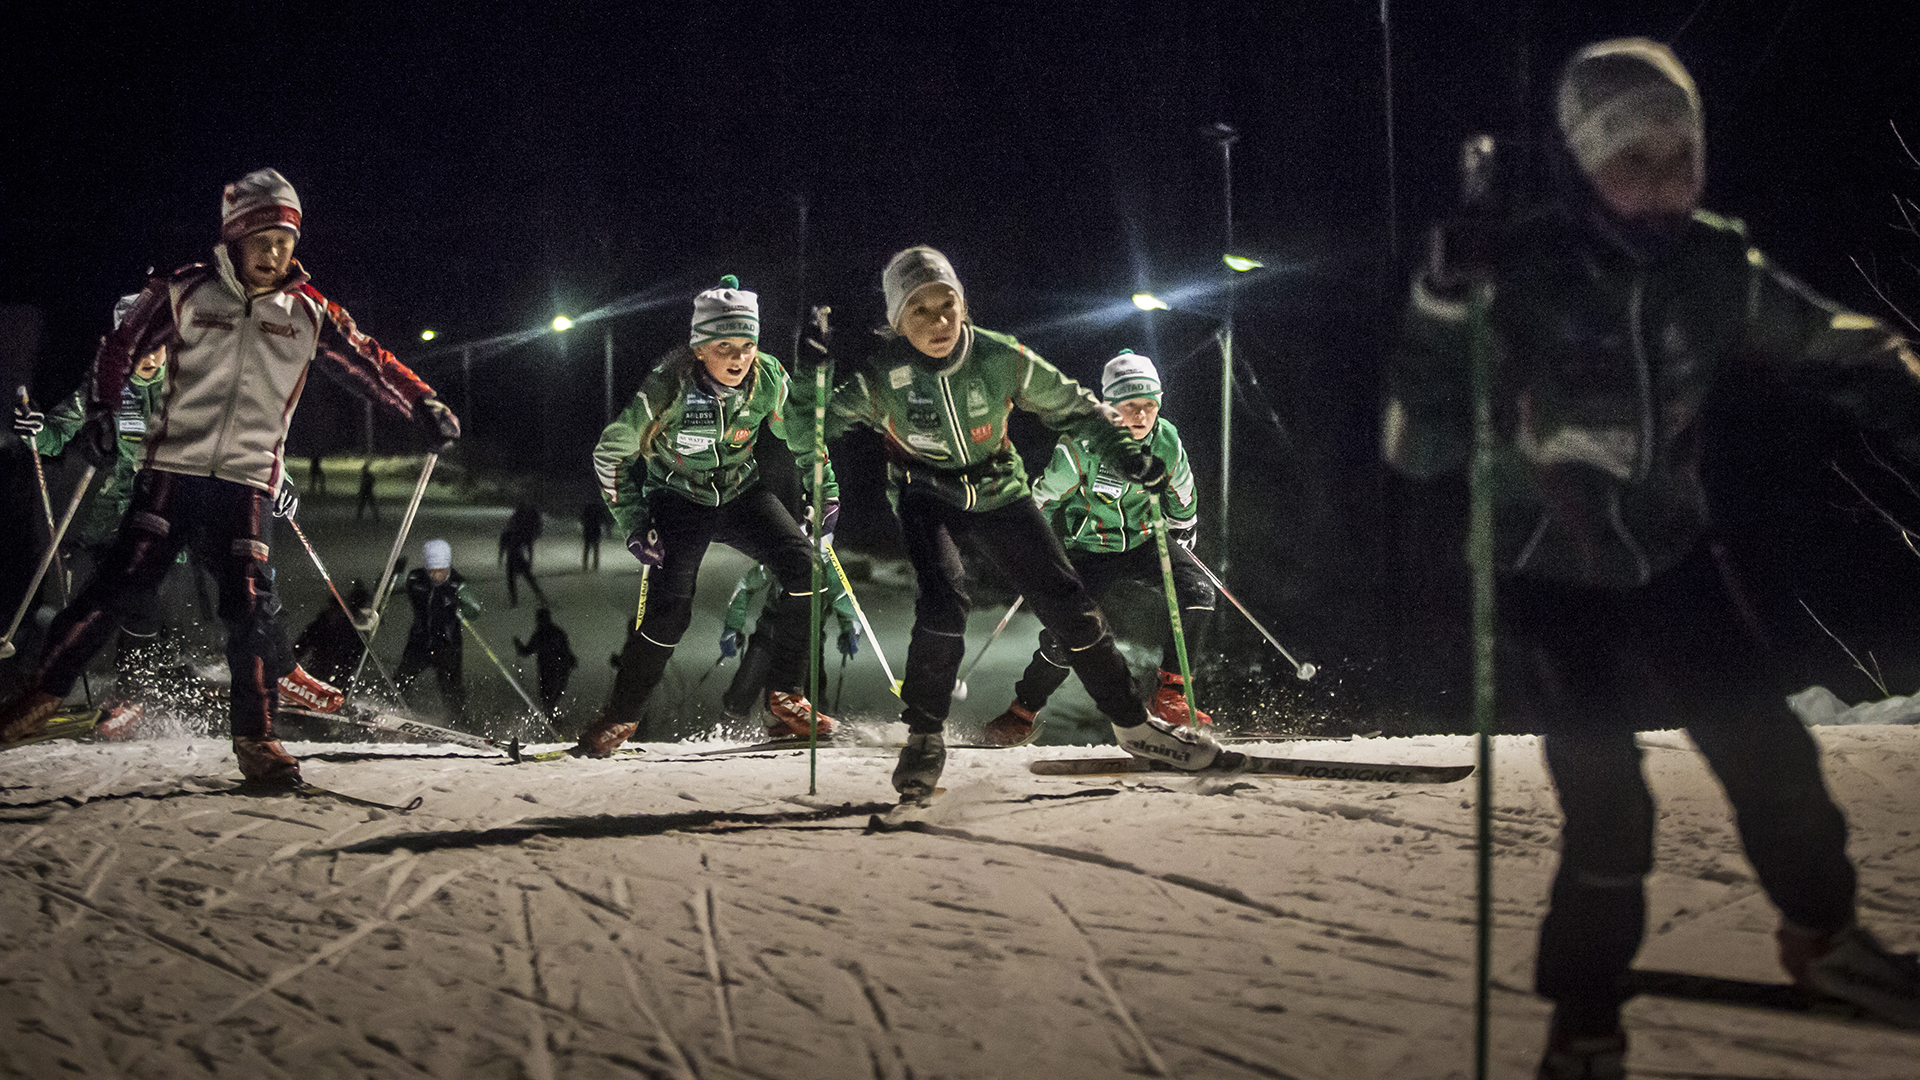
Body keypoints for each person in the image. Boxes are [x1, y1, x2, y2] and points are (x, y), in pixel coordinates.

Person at [1383, 39, 1920, 1075]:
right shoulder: (1521, 271)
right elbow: (1420, 444)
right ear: (1585, 163)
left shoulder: (1710, 266)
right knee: (1608, 806)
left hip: (1668, 550)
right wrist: (1444, 302)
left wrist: (1901, 385)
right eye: (1635, 159)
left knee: (1769, 751)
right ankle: (1585, 1017)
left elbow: (1833, 341)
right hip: (1545, 570)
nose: (1664, 180)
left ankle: (1825, 938)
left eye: (1682, 155)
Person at [0, 168, 458, 788]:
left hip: (247, 478)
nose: (275, 254)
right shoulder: (186, 291)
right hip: (172, 468)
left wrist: (421, 403)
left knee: (250, 604)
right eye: (263, 241)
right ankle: (37, 699)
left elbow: (368, 361)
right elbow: (120, 344)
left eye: (286, 242)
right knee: (118, 586)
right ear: (235, 238)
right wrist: (105, 411)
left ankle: (258, 737)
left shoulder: (308, 311)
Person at [787, 246, 1225, 801]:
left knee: (1067, 601)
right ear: (898, 321)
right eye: (919, 310)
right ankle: (923, 737)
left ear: (963, 306)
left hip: (1000, 490)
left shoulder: (998, 357)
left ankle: (1133, 725)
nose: (939, 321)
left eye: (948, 304)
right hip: (927, 495)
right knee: (945, 599)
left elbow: (1075, 408)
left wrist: (1125, 453)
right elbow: (807, 433)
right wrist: (811, 377)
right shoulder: (885, 378)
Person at [573, 275, 839, 755]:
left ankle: (784, 698)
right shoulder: (669, 384)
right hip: (678, 497)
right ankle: (622, 714)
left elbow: (802, 431)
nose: (738, 358)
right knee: (671, 612)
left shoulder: (768, 378)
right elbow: (611, 454)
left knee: (807, 572)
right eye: (724, 346)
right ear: (700, 349)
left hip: (740, 490)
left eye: (746, 344)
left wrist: (826, 491)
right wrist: (634, 521)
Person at [985, 350, 1215, 745]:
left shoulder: (1167, 440)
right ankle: (1022, 711)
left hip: (1145, 539)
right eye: (1130, 406)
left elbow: (1183, 488)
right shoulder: (1082, 444)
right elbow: (1044, 495)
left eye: (1148, 405)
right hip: (1091, 548)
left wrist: (1183, 526)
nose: (1141, 415)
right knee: (1068, 633)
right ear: (1111, 407)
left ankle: (1172, 694)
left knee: (1199, 593)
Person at [719, 557, 859, 728]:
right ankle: (730, 728)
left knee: (810, 695)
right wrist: (733, 625)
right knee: (743, 690)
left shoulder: (828, 570)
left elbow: (845, 602)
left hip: (808, 642)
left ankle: (808, 727)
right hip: (769, 635)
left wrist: (850, 629)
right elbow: (746, 586)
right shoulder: (782, 556)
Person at [396, 539, 479, 723]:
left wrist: (465, 606)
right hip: (420, 641)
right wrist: (393, 575)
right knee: (401, 679)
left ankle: (459, 720)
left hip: (447, 644)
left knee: (451, 687)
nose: (435, 575)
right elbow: (391, 587)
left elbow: (475, 610)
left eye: (440, 570)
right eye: (431, 570)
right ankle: (398, 710)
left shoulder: (457, 584)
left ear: (447, 567)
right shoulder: (416, 579)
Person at [293, 579, 373, 688]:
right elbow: (299, 649)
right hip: (318, 674)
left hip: (341, 677)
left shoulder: (353, 631)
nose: (334, 613)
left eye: (338, 611)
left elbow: (360, 656)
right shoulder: (319, 626)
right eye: (333, 609)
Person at [514, 607, 578, 719]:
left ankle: (550, 716)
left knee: (546, 696)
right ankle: (552, 715)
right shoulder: (558, 632)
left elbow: (526, 651)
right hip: (561, 669)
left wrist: (518, 645)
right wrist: (571, 661)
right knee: (555, 694)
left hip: (547, 670)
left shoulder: (539, 635)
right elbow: (566, 650)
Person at [498, 504, 544, 608]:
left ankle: (514, 601)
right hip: (518, 558)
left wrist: (500, 559)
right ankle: (540, 597)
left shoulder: (509, 533)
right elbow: (529, 547)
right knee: (528, 579)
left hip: (513, 558)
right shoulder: (520, 532)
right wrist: (530, 561)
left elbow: (502, 548)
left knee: (513, 580)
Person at [579, 499, 604, 572]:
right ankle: (595, 565)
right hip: (596, 530)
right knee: (596, 548)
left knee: (587, 548)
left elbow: (582, 519)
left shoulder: (587, 510)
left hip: (588, 530)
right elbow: (601, 520)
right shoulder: (598, 510)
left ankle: (585, 565)